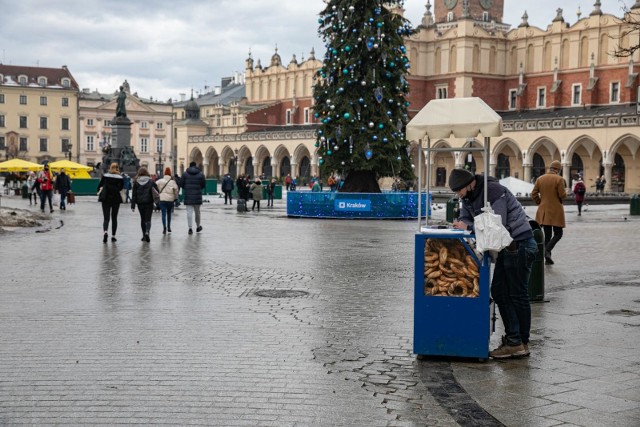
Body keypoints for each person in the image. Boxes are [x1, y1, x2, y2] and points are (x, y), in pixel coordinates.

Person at [448, 168, 536, 359]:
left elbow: (498, 225)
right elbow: (465, 216)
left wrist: (469, 226)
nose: (459, 195)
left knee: (516, 294)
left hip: (519, 244)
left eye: (459, 190)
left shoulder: (493, 191)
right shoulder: (468, 197)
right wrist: (463, 223)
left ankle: (519, 342)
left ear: (469, 184)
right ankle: (516, 340)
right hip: (508, 246)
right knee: (500, 291)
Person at [531, 160, 567, 265]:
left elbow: (533, 194)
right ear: (557, 170)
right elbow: (562, 195)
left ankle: (547, 258)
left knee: (547, 235)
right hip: (556, 210)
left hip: (543, 211)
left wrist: (540, 203)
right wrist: (566, 193)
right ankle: (546, 251)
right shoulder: (559, 179)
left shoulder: (540, 179)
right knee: (558, 234)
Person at [97, 162, 124, 243]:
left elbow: (99, 186)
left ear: (110, 168)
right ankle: (113, 236)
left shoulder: (105, 176)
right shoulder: (120, 177)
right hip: (116, 198)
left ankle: (105, 232)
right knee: (114, 218)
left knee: (106, 218)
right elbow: (120, 188)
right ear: (117, 168)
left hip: (106, 198)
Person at [130, 166, 158, 242]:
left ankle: (143, 235)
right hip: (149, 202)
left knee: (142, 219)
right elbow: (157, 191)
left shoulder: (136, 182)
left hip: (140, 203)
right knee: (148, 219)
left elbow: (134, 194)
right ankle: (147, 232)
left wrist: (133, 206)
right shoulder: (151, 181)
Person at [180, 161, 205, 235]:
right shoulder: (201, 174)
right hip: (197, 196)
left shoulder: (185, 174)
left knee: (189, 212)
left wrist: (187, 188)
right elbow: (203, 185)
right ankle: (198, 226)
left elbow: (181, 184)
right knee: (197, 212)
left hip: (188, 195)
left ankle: (190, 228)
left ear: (189, 166)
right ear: (195, 166)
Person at [156, 167, 180, 234]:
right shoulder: (173, 182)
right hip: (170, 200)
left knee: (163, 214)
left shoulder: (160, 181)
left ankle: (164, 228)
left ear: (164, 174)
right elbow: (176, 190)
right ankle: (169, 227)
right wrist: (175, 197)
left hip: (162, 199)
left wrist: (158, 192)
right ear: (170, 174)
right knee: (169, 213)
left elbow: (154, 185)